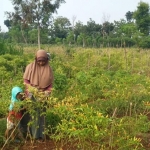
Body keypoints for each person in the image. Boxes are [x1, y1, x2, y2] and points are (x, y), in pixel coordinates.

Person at [23, 49, 54, 142]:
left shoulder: (49, 69)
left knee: (42, 115)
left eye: (43, 61)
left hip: (43, 96)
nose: (41, 63)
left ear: (46, 60)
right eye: (39, 61)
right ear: (36, 59)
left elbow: (50, 84)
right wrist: (33, 89)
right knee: (34, 115)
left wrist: (47, 92)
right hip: (32, 94)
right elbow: (25, 81)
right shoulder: (30, 67)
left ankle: (42, 135)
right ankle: (35, 136)